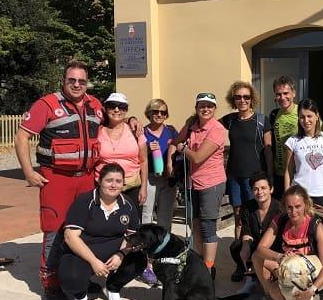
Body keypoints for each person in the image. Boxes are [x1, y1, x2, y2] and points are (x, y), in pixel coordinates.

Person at [15, 60, 103, 300]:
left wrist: (134, 122)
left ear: (87, 83)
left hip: (86, 178)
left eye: (82, 81)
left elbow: (112, 124)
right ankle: (50, 282)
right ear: (63, 81)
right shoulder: (47, 105)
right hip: (55, 179)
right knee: (54, 230)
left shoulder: (95, 104)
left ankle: (81, 277)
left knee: (84, 231)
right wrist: (28, 172)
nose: (77, 84)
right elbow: (22, 136)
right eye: (71, 80)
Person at [59, 162, 147, 300]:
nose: (113, 185)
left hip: (113, 251)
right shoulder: (85, 201)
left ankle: (112, 287)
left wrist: (121, 254)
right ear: (99, 181)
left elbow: (132, 236)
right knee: (71, 278)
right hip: (84, 252)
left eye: (118, 181)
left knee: (139, 260)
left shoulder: (128, 204)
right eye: (109, 180)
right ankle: (80, 295)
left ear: (123, 184)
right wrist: (94, 262)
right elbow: (70, 237)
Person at [249, 185, 323, 300]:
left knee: (301, 294)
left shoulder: (315, 225)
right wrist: (279, 256)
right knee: (256, 258)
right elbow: (260, 249)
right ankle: (272, 297)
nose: (293, 211)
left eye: (298, 206)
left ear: (306, 205)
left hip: (308, 277)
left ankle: (315, 297)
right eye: (289, 207)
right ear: (284, 207)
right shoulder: (280, 220)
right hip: (291, 271)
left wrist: (313, 289)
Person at [175, 93, 227, 275]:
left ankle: (209, 268)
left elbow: (198, 157)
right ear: (196, 108)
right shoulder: (191, 126)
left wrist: (184, 148)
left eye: (209, 106)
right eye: (202, 106)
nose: (206, 109)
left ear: (214, 109)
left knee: (207, 226)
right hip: (192, 183)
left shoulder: (217, 129)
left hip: (210, 183)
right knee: (195, 224)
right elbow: (176, 141)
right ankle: (200, 262)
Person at [221, 81, 273, 243]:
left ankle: (256, 252)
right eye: (238, 97)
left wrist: (269, 176)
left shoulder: (261, 120)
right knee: (238, 216)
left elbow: (268, 150)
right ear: (233, 99)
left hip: (254, 177)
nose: (242, 100)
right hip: (235, 175)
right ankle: (239, 255)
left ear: (252, 99)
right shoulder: (230, 120)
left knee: (255, 215)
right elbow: (205, 123)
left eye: (246, 97)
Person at [97, 93, 148, 211]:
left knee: (131, 225)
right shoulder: (98, 130)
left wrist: (144, 187)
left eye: (121, 106)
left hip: (131, 186)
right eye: (112, 105)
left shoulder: (135, 130)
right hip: (104, 187)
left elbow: (144, 161)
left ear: (126, 110)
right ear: (105, 108)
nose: (116, 109)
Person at [284, 99, 323, 207]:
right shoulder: (292, 141)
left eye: (309, 116)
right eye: (302, 117)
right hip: (300, 194)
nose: (306, 120)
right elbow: (288, 172)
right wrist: (287, 196)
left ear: (317, 116)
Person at [229, 171, 282, 282]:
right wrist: (245, 247)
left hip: (273, 247)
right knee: (236, 246)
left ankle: (260, 268)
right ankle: (243, 267)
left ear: (271, 189)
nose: (260, 192)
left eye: (263, 188)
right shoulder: (248, 207)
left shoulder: (279, 209)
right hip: (255, 244)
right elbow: (246, 230)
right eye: (255, 189)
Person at [141, 98, 177, 231]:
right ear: (149, 113)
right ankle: (145, 243)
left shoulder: (171, 130)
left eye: (163, 112)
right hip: (149, 178)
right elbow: (134, 154)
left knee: (166, 214)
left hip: (167, 179)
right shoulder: (142, 132)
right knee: (146, 213)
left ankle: (163, 244)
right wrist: (147, 149)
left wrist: (173, 147)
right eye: (155, 111)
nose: (159, 115)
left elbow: (180, 146)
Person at [269, 76, 299, 198]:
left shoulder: (304, 112)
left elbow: (320, 135)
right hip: (279, 175)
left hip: (299, 174)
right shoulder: (274, 114)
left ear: (293, 93)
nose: (282, 97)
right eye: (278, 94)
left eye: (286, 93)